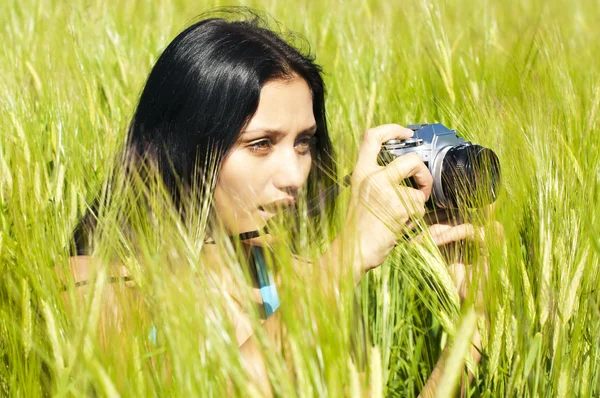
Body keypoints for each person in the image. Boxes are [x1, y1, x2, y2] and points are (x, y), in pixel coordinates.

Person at [66, 9, 489, 396]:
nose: (294, 175)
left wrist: (470, 326)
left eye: (304, 142)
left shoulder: (306, 279)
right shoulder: (91, 286)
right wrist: (343, 262)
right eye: (260, 144)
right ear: (185, 145)